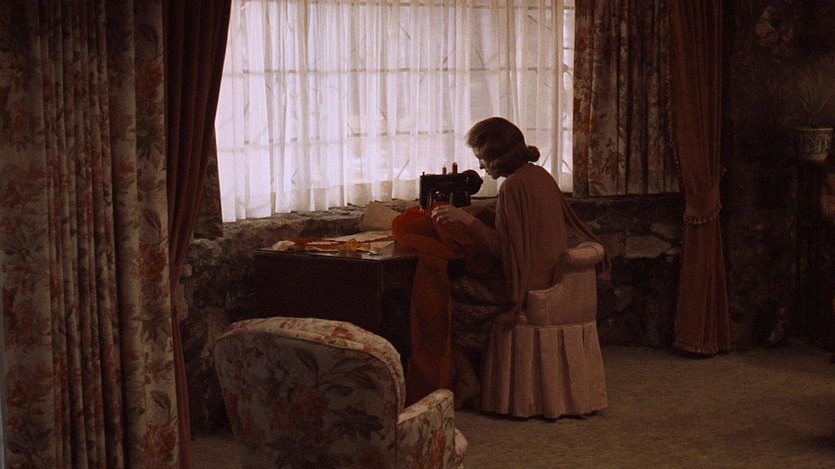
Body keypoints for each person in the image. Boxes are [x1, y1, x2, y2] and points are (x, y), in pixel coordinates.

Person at [430, 116, 605, 408]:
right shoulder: (539, 176)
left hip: (527, 286)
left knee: (447, 297)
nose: (481, 166)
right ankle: (483, 375)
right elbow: (523, 231)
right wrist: (484, 214)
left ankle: (469, 379)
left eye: (482, 158)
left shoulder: (511, 187)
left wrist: (466, 221)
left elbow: (503, 251)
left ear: (496, 155)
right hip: (552, 279)